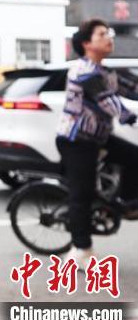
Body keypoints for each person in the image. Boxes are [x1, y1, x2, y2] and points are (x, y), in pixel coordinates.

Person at [57, 18, 138, 269]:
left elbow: (132, 87)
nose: (109, 37)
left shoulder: (105, 71)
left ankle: (127, 203)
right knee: (82, 194)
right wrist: (132, 118)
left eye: (109, 33)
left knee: (135, 157)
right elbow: (109, 103)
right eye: (102, 34)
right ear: (86, 44)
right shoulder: (84, 72)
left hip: (98, 138)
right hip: (76, 141)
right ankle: (80, 250)